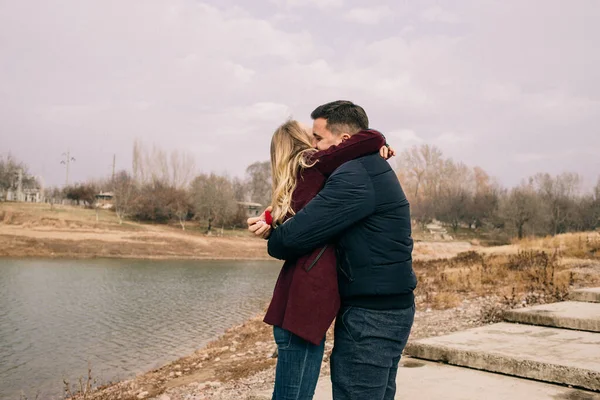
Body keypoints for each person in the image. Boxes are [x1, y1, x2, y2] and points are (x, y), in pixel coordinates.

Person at [251, 101, 417, 400]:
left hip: (371, 317)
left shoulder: (353, 176)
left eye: (317, 138)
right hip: (387, 307)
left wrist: (274, 233)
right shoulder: (367, 167)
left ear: (343, 141)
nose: (314, 146)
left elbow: (287, 240)